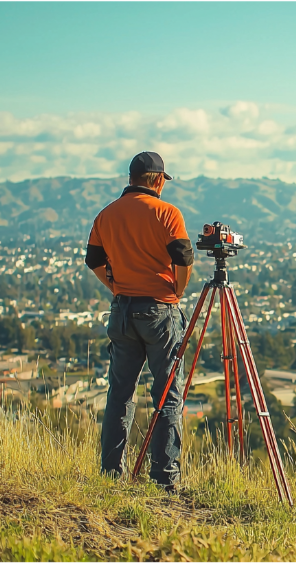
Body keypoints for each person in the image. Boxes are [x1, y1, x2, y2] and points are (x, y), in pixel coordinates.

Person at [85, 151, 194, 490]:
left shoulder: (107, 214)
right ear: (158, 180)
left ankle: (111, 476)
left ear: (131, 178)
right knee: (167, 394)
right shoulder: (167, 213)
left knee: (119, 394)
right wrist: (176, 290)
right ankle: (165, 478)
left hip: (122, 311)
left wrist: (116, 286)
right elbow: (184, 258)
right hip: (160, 311)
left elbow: (93, 260)